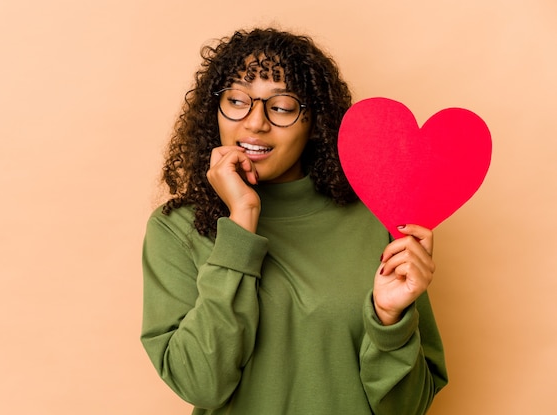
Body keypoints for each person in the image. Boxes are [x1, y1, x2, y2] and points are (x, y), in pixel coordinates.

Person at [141, 27, 448, 415]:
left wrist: (389, 319)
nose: (254, 123)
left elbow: (409, 408)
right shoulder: (176, 229)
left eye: (282, 107)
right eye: (236, 101)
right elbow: (199, 384)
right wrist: (242, 219)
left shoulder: (378, 219)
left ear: (314, 122)